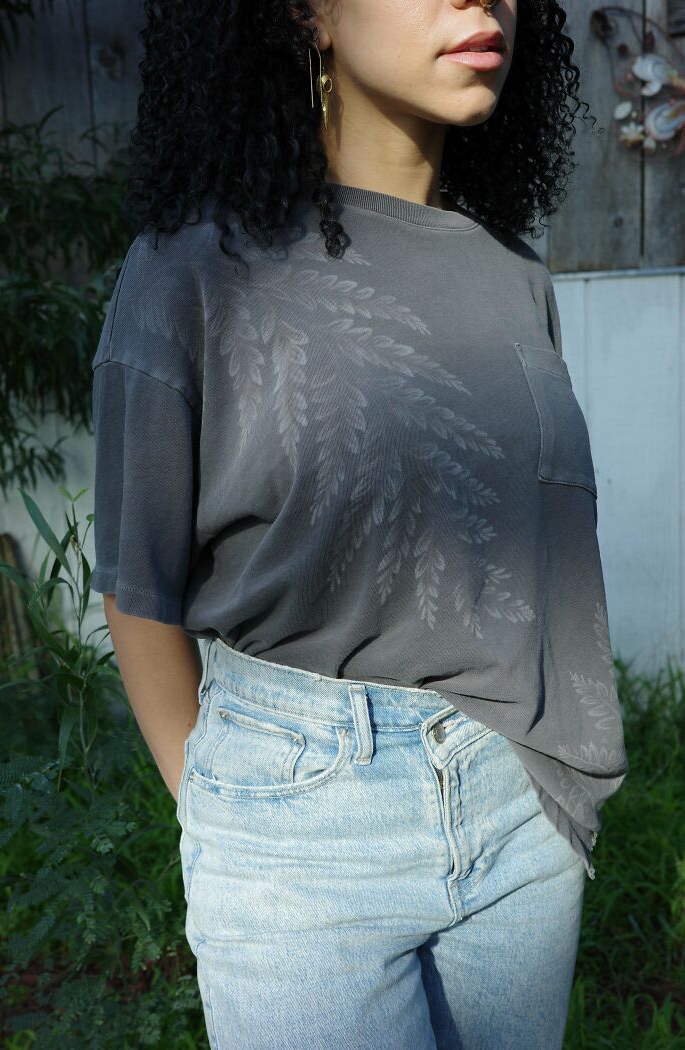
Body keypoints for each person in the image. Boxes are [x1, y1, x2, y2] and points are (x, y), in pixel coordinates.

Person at [90, 1, 629, 1047]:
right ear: (308, 16)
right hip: (297, 831)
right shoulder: (191, 272)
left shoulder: (512, 274)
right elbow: (135, 585)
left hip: (516, 810)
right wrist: (224, 809)